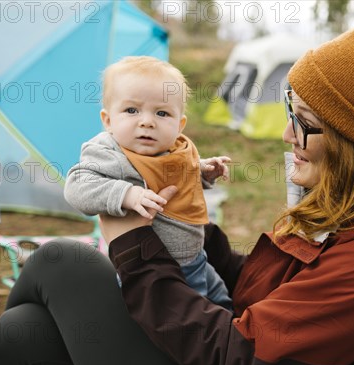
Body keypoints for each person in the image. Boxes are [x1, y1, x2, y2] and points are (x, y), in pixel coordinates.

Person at [0, 21, 354, 365]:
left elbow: (236, 360)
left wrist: (134, 241)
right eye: (291, 114)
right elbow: (270, 297)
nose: (289, 136)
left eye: (304, 122)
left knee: (63, 262)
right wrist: (187, 225)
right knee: (20, 333)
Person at [63, 56, 232, 309]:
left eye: (162, 113)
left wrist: (204, 172)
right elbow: (77, 186)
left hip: (195, 259)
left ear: (179, 124)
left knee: (222, 302)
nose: (147, 121)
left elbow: (181, 177)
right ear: (108, 120)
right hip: (150, 268)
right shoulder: (111, 152)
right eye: (132, 110)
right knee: (187, 319)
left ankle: (238, 337)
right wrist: (127, 194)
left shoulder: (175, 150)